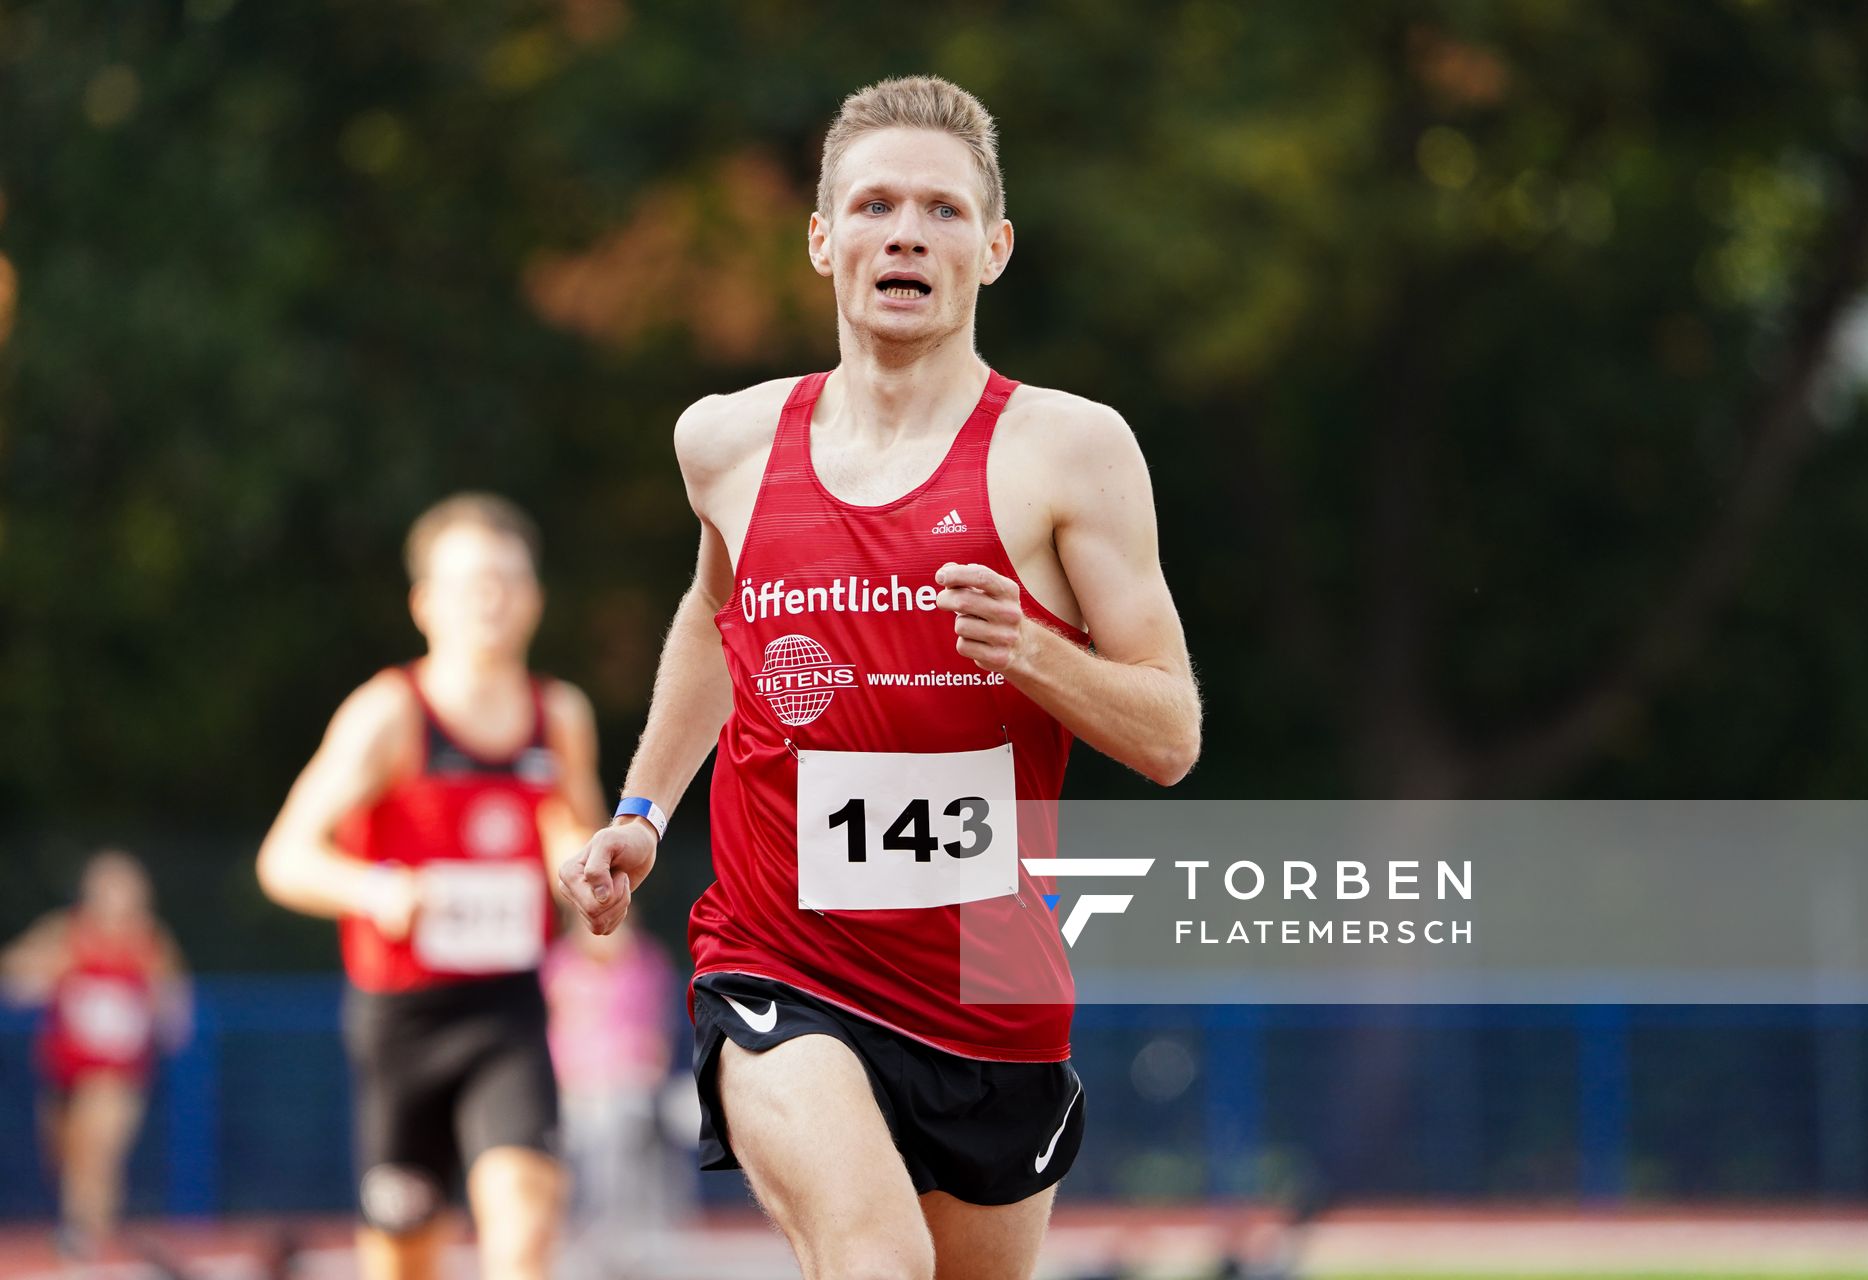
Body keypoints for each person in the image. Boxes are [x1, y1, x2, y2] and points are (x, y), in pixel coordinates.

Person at [560, 76, 1202, 1279]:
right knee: (875, 1261)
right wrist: (645, 808)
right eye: (874, 205)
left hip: (990, 983)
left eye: (944, 211)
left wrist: (1034, 651)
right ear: (823, 238)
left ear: (993, 248)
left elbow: (1170, 730)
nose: (906, 231)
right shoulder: (727, 442)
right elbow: (714, 609)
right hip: (780, 959)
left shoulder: (1071, 451)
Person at [257, 493, 606, 1280]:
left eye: (510, 580)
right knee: (404, 1258)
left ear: (536, 599)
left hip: (508, 1009)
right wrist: (376, 890)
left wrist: (590, 900)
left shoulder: (559, 716)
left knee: (524, 1219)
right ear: (425, 604)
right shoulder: (388, 715)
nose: (493, 598)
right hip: (402, 1023)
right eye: (472, 581)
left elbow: (574, 833)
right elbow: (284, 858)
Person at [0, 849, 191, 1257]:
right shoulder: (66, 935)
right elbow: (19, 973)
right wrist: (36, 975)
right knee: (66, 1157)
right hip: (64, 1070)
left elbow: (174, 996)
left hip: (117, 1072)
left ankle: (84, 1240)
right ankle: (88, 1226)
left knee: (97, 1145)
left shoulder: (149, 943)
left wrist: (170, 1014)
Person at [540, 914, 691, 1270]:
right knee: (585, 1157)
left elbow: (655, 1026)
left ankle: (627, 1240)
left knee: (627, 1147)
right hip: (575, 1084)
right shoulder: (561, 963)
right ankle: (588, 1241)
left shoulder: (645, 961)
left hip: (629, 1084)